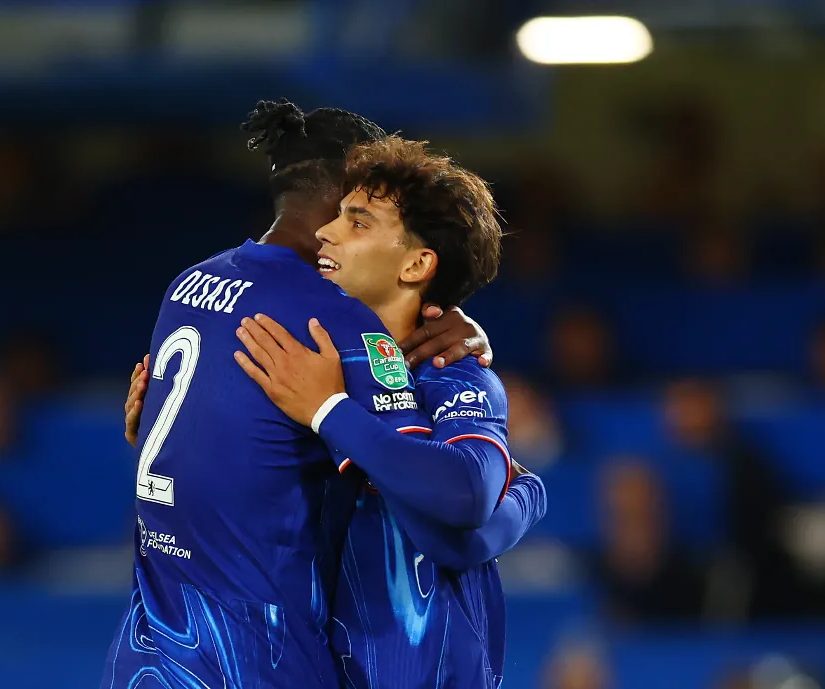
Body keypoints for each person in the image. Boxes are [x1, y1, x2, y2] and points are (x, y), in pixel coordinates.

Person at [101, 100, 493, 689]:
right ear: (341, 192)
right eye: (363, 205)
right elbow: (449, 501)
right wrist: (523, 495)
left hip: (148, 653)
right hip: (256, 659)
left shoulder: (188, 284)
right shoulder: (331, 321)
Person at [230, 136, 547, 687]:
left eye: (357, 223)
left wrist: (330, 411)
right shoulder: (311, 363)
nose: (325, 232)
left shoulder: (454, 373)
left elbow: (465, 498)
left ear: (417, 263)